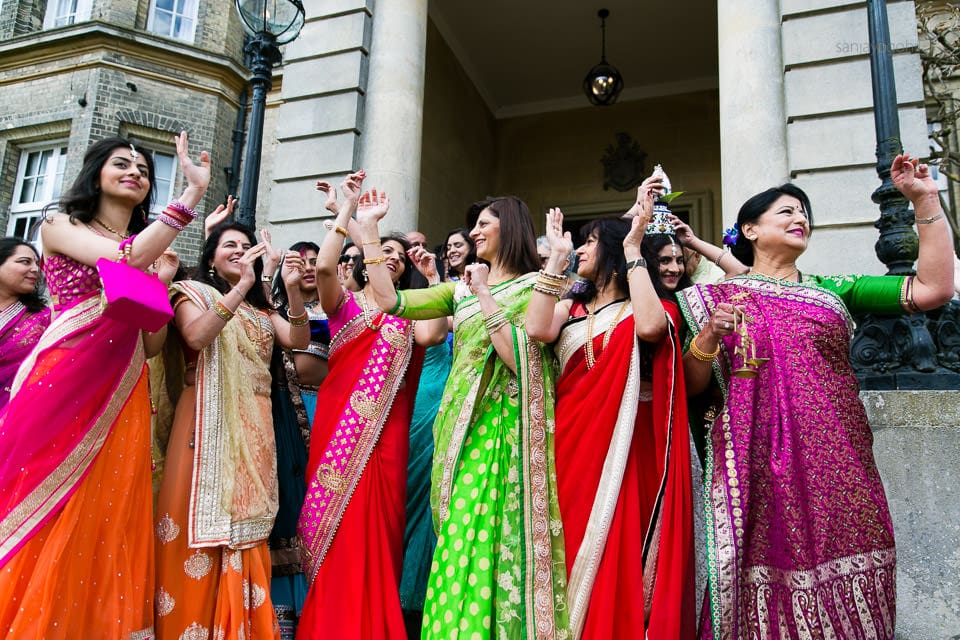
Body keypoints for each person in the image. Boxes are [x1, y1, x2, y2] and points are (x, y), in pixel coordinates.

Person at [677, 154, 955, 639]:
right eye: (785, 211)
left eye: (804, 212)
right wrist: (706, 339)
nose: (799, 218)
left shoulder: (833, 289)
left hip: (840, 463)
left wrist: (925, 200)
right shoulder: (715, 299)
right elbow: (694, 388)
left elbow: (933, 288)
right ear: (750, 229)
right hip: (757, 466)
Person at [0, 133, 209, 638]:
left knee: (109, 509)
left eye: (143, 169)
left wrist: (160, 286)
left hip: (124, 386)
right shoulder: (60, 224)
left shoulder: (146, 251)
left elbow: (154, 344)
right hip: (64, 378)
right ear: (96, 172)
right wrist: (191, 195)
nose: (135, 172)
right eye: (121, 164)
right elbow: (125, 256)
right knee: (44, 499)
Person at [359, 192, 569, 638]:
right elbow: (390, 303)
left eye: (483, 224)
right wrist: (372, 233)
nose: (473, 232)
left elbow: (523, 361)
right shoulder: (457, 291)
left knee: (490, 540)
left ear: (508, 228)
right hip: (458, 429)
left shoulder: (537, 288)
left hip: (505, 432)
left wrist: (485, 294)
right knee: (458, 543)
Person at [526, 201, 696, 639]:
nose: (582, 249)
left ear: (615, 252)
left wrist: (635, 244)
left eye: (590, 242)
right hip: (566, 444)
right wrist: (557, 260)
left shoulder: (648, 308)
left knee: (611, 544)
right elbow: (536, 329)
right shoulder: (573, 310)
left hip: (622, 453)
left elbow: (652, 328)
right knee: (564, 547)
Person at [296, 176, 447, 640]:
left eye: (399, 258)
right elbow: (323, 268)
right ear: (362, 260)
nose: (391, 261)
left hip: (388, 438)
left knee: (379, 532)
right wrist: (350, 213)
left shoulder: (411, 313)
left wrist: (437, 281)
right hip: (339, 433)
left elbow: (434, 335)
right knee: (335, 531)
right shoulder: (343, 305)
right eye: (384, 254)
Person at [154, 222, 310, 639]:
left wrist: (290, 288)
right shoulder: (191, 292)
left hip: (255, 432)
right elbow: (196, 335)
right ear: (210, 258)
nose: (240, 251)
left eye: (246, 246)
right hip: (203, 425)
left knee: (245, 531)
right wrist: (240, 288)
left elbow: (296, 339)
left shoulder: (262, 311)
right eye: (230, 246)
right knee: (196, 529)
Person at [267, 240, 328, 637]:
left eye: (314, 262)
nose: (307, 268)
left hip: (331, 414)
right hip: (289, 413)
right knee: (293, 504)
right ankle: (285, 616)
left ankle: (322, 610)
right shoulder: (275, 311)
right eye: (299, 262)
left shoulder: (341, 308)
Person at [0, 239, 51, 409]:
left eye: (37, 263)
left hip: (10, 414)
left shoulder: (44, 319)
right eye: (25, 262)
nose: (35, 269)